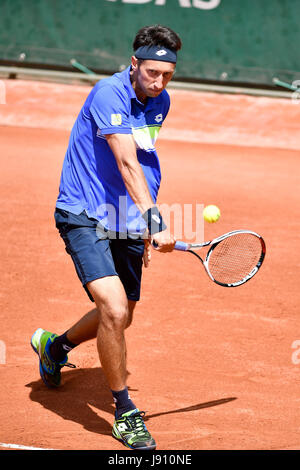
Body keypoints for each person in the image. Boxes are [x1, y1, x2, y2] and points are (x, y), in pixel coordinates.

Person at [31, 24, 182, 450]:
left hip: (125, 215)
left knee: (124, 313)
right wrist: (156, 221)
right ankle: (125, 413)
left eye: (167, 75)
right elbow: (125, 160)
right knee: (114, 309)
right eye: (152, 73)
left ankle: (54, 347)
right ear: (134, 64)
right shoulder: (107, 93)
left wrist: (143, 223)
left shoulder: (160, 102)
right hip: (81, 211)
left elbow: (145, 164)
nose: (159, 83)